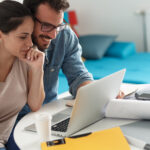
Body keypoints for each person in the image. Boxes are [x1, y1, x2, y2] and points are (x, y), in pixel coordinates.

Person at [0, 0, 45, 149]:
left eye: (30, 36)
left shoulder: (24, 60)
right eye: (22, 36)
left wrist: (37, 69)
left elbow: (35, 105)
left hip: (6, 138)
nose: (30, 44)